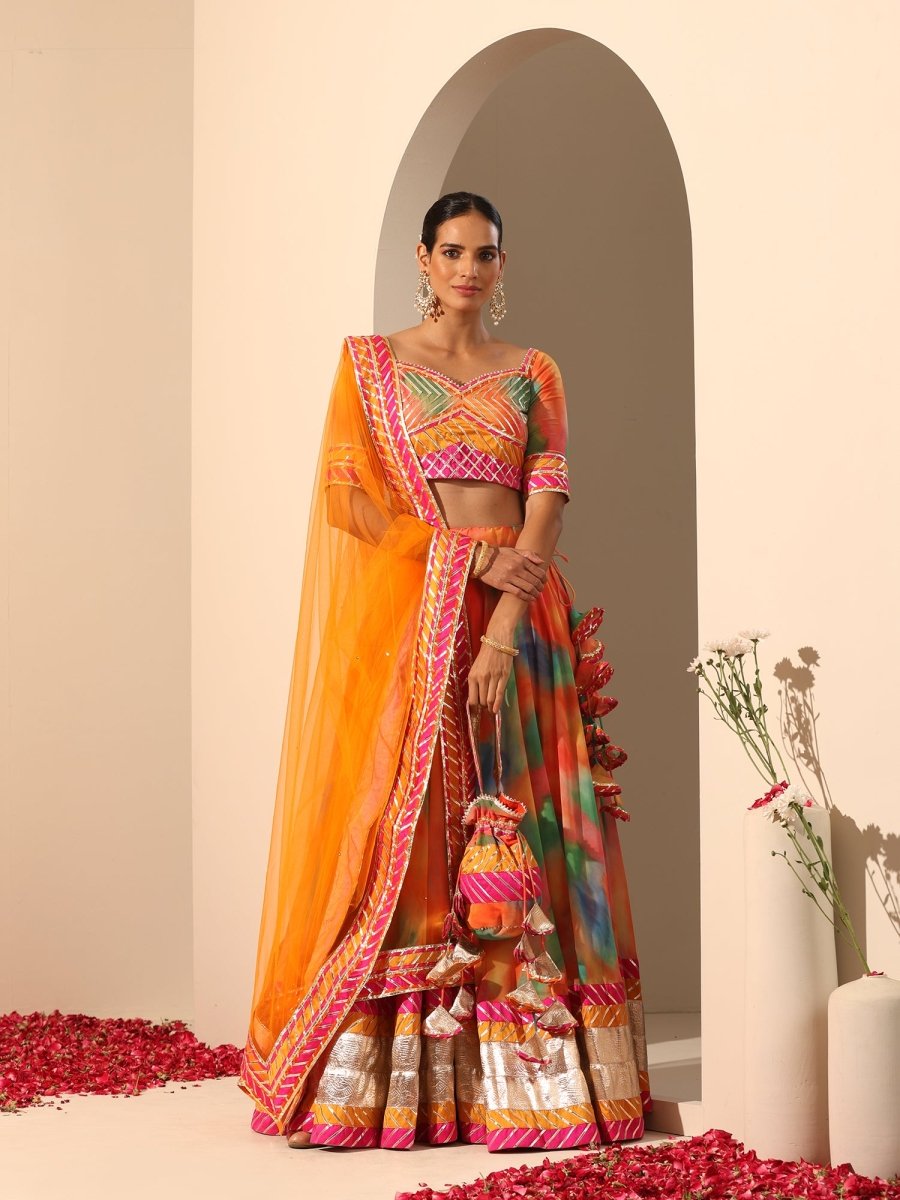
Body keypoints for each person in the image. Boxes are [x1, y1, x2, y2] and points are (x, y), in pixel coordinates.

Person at [238, 192, 650, 1152]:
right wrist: (461, 557)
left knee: (534, 820)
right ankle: (392, 1085)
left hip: (522, 617)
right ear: (423, 259)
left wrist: (505, 619)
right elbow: (350, 503)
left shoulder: (532, 371)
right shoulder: (370, 367)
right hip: (421, 616)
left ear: (503, 266)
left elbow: (547, 499)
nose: (469, 269)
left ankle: (535, 1083)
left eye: (485, 254)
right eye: (453, 252)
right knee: (410, 829)